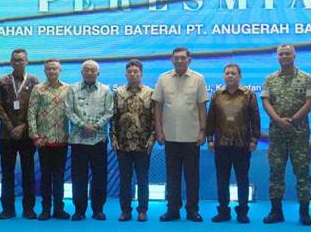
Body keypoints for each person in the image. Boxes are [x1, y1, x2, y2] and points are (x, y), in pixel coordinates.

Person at [261, 44, 311, 225]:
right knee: (276, 172)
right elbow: (266, 102)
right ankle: (276, 211)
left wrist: (293, 120)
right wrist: (278, 120)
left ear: (294, 56)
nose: (284, 56)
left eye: (287, 54)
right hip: (277, 134)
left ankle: (304, 212)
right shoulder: (270, 79)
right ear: (277, 57)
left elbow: (310, 102)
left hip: (298, 134)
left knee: (302, 172)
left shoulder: (306, 78)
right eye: (281, 54)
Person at [153, 47, 209, 222]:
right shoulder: (163, 78)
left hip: (192, 136)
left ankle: (192, 210)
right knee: (172, 176)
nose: (179, 61)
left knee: (192, 176)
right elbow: (158, 106)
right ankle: (173, 210)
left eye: (183, 58)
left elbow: (202, 107)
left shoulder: (198, 79)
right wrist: (158, 130)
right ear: (172, 60)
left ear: (189, 60)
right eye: (176, 58)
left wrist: (203, 131)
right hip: (170, 136)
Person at [206, 63, 260, 224]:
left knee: (242, 179)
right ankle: (223, 211)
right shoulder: (216, 95)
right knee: (222, 180)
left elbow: (255, 118)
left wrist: (255, 139)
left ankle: (242, 212)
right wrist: (209, 139)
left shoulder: (249, 94)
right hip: (221, 144)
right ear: (223, 76)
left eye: (233, 73)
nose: (230, 75)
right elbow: (211, 118)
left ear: (240, 76)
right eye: (227, 73)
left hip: (242, 144)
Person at [0, 48, 40, 220]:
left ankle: (29, 209)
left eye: (21, 60)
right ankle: (8, 209)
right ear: (11, 62)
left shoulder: (34, 82)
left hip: (27, 134)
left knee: (28, 172)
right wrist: (10, 127)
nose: (18, 62)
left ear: (27, 61)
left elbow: (37, 108)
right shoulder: (3, 81)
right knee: (7, 173)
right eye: (15, 60)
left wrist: (23, 127)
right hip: (6, 135)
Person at [66, 60, 113, 221]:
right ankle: (79, 210)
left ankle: (98, 209)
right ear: (81, 72)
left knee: (100, 176)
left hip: (99, 139)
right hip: (78, 139)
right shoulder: (73, 89)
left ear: (98, 73)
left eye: (93, 70)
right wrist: (83, 126)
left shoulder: (105, 90)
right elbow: (69, 111)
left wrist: (94, 127)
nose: (89, 73)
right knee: (79, 177)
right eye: (86, 70)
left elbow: (109, 112)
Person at [111, 59, 155, 222]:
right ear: (126, 75)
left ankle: (142, 210)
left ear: (141, 74)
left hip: (143, 143)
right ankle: (125, 210)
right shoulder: (118, 93)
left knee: (143, 178)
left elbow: (154, 118)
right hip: (123, 143)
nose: (133, 74)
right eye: (130, 72)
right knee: (124, 178)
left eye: (136, 72)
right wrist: (113, 138)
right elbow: (114, 118)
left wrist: (152, 139)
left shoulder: (150, 93)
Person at [28, 58, 71, 220]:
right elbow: (31, 113)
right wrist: (35, 136)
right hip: (43, 142)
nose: (52, 71)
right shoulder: (38, 89)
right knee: (45, 178)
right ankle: (45, 209)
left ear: (60, 71)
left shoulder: (68, 89)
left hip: (62, 140)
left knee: (59, 178)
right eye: (49, 69)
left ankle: (59, 208)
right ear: (45, 71)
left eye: (55, 68)